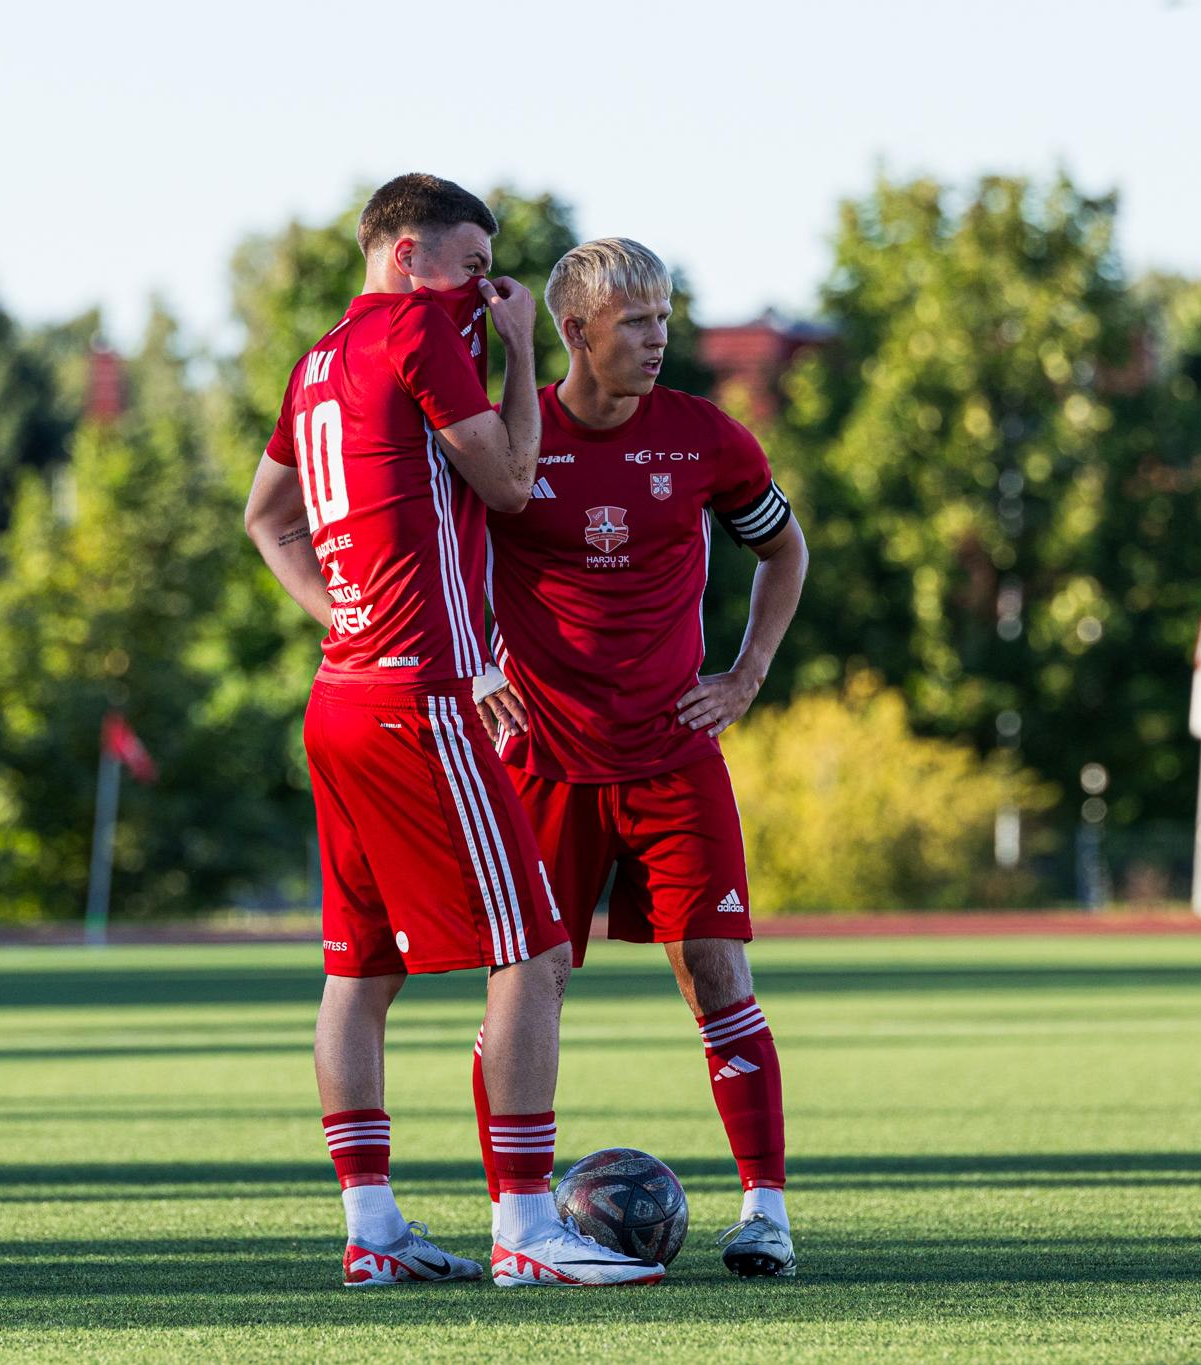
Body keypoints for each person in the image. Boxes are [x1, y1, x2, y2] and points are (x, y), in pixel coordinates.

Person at [242, 177, 660, 1289]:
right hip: (417, 699)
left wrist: (343, 617)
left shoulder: (316, 359)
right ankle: (526, 1230)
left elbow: (265, 518)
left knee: (359, 970)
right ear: (409, 252)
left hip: (340, 695)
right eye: (474, 264)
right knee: (530, 953)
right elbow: (515, 482)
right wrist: (522, 349)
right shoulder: (418, 326)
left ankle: (371, 1235)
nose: (488, 287)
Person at [472, 238, 810, 1278]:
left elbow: (782, 550)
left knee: (717, 974)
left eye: (664, 317)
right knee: (524, 989)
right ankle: (518, 1222)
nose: (658, 338)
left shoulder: (706, 439)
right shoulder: (505, 436)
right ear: (574, 333)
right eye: (636, 322)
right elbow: (437, 558)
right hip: (542, 761)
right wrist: (479, 666)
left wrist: (745, 675)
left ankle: (764, 1213)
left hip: (673, 755)